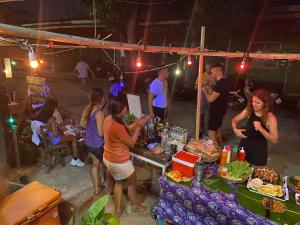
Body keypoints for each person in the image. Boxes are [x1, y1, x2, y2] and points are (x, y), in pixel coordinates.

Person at [103, 93, 150, 217]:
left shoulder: (109, 118)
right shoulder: (117, 126)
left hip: (108, 158)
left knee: (118, 182)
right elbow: (131, 143)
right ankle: (136, 206)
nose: (127, 110)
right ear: (121, 109)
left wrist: (136, 123)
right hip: (119, 161)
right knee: (132, 182)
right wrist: (139, 127)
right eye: (126, 108)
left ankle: (118, 210)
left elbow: (124, 131)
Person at [232, 89, 278, 167]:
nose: (254, 104)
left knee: (255, 176)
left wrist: (261, 129)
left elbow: (274, 140)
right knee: (239, 171)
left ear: (265, 104)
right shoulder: (249, 110)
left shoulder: (270, 117)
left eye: (258, 103)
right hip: (244, 145)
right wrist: (235, 130)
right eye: (253, 101)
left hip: (258, 149)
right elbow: (235, 120)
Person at [33, 98, 85, 167]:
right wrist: (62, 132)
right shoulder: (52, 118)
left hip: (48, 138)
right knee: (73, 138)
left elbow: (49, 129)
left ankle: (75, 157)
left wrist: (59, 130)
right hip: (54, 140)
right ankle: (75, 160)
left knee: (68, 135)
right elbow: (55, 134)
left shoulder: (42, 116)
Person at [80, 87, 107, 195]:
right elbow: (101, 133)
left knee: (95, 165)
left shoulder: (88, 108)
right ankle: (103, 182)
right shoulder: (99, 114)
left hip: (89, 143)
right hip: (98, 145)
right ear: (101, 99)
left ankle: (97, 188)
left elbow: (82, 124)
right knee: (103, 164)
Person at [203, 64, 230, 148]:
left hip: (217, 111)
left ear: (217, 71)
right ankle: (219, 146)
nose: (211, 74)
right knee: (218, 131)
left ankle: (217, 152)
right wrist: (211, 88)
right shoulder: (224, 81)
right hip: (221, 109)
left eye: (212, 72)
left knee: (211, 133)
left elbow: (210, 99)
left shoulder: (220, 84)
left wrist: (204, 91)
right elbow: (217, 94)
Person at [194, 61, 215, 137]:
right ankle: (201, 131)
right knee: (201, 115)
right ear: (205, 68)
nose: (208, 69)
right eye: (207, 68)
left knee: (212, 115)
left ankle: (212, 132)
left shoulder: (214, 76)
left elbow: (218, 88)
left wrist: (213, 85)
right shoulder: (201, 75)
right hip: (202, 98)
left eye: (209, 68)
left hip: (212, 98)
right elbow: (195, 87)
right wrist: (204, 84)